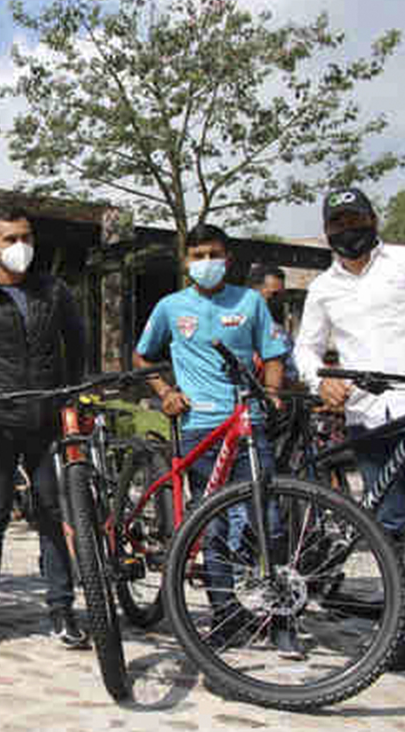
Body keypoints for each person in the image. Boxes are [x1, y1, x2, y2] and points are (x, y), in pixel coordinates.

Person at [133, 223, 298, 657]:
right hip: (198, 428)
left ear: (228, 259)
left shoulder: (250, 302)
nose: (206, 262)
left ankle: (281, 617)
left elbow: (275, 354)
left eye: (215, 253)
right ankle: (224, 615)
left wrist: (275, 396)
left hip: (248, 425)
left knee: (269, 520)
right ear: (187, 260)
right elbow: (142, 355)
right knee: (214, 525)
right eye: (198, 254)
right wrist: (166, 393)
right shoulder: (170, 307)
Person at [0, 207, 90, 652]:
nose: (20, 246)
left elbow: (78, 340)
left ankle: (62, 610)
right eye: (10, 239)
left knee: (51, 514)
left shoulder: (54, 291)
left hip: (45, 422)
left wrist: (73, 391)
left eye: (26, 237)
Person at [294, 188, 404, 543]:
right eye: (337, 223)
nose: (347, 229)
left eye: (355, 220)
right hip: (367, 417)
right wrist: (320, 382)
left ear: (372, 220)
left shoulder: (402, 263)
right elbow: (305, 348)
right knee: (387, 518)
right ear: (327, 232)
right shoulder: (322, 288)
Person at [248, 264, 298, 383]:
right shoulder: (233, 325)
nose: (279, 301)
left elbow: (292, 375)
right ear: (254, 292)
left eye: (281, 295)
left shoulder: (281, 335)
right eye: (273, 295)